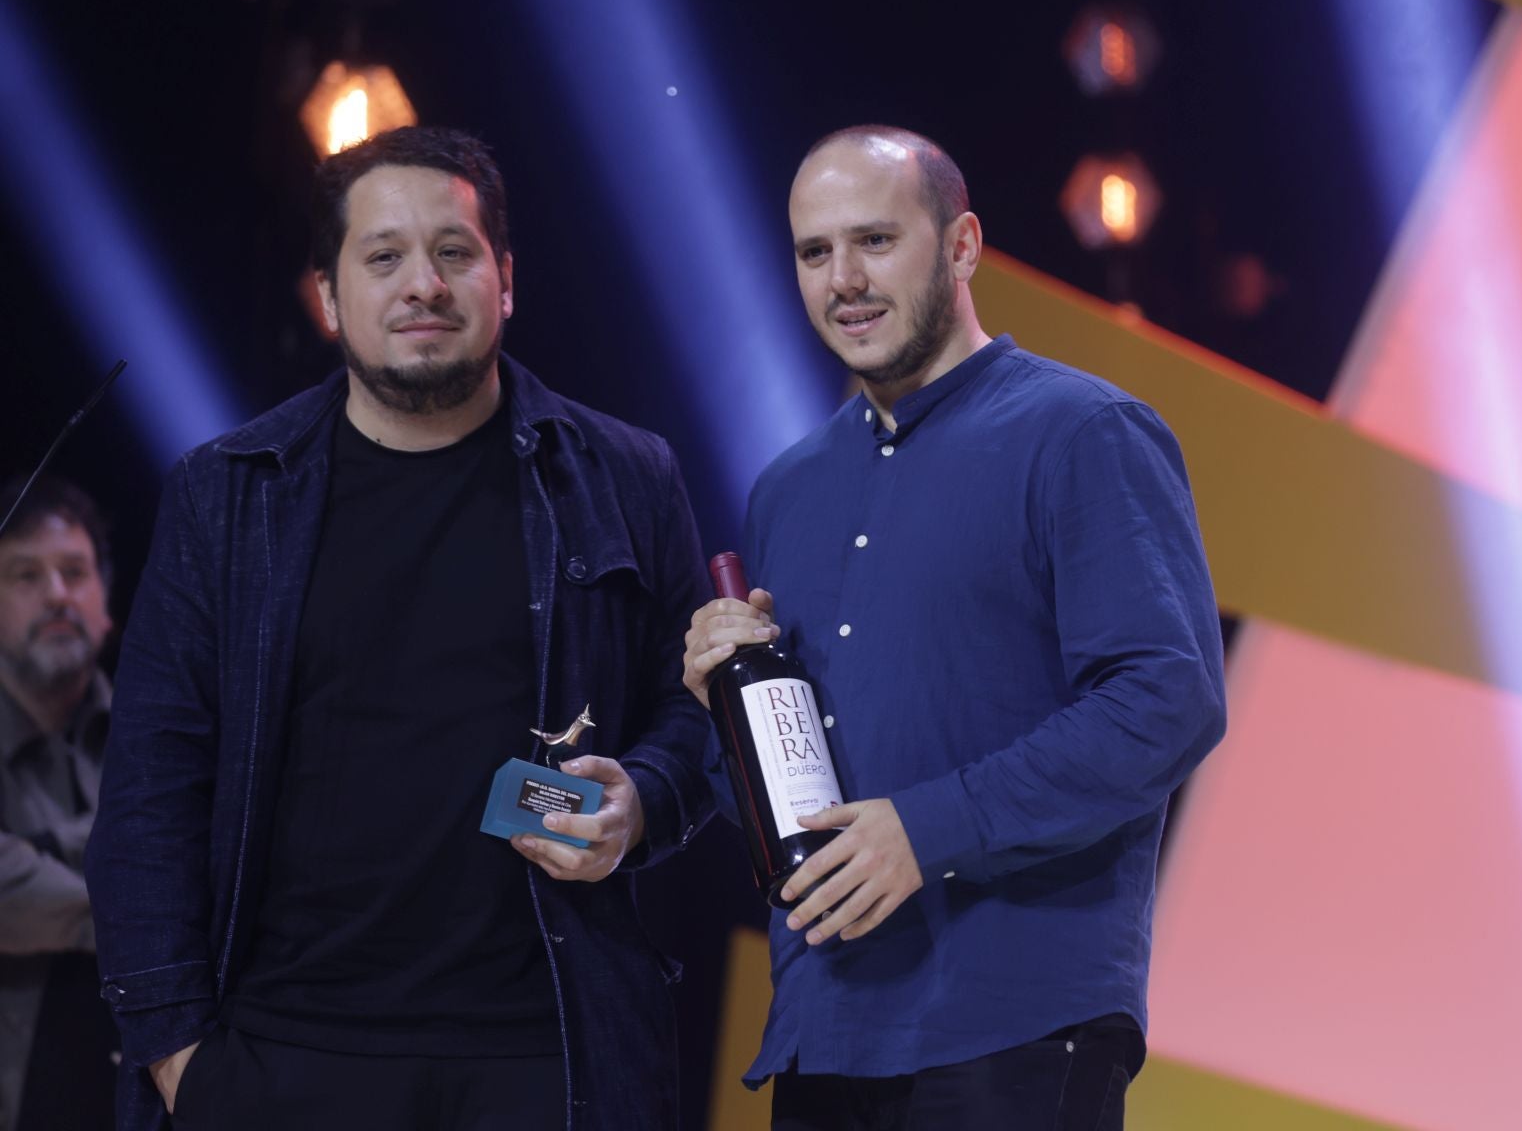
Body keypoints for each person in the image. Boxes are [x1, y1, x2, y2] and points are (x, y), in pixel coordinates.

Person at [86, 127, 714, 1131]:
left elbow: (698, 710)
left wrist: (642, 800)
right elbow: (150, 797)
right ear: (329, 297)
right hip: (284, 1056)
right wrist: (182, 1065)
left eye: (453, 252)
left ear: (504, 279)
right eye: (383, 257)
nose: (423, 282)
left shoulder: (626, 474)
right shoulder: (228, 495)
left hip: (546, 1057)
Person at [682, 126, 1227, 1129]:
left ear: (963, 244)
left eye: (876, 240)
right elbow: (777, 805)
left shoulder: (1081, 432)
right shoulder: (787, 491)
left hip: (1009, 1024)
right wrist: (726, 707)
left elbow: (1167, 698)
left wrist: (927, 828)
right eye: (814, 252)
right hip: (824, 1030)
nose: (843, 278)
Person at [0, 475, 119, 1131]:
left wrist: (39, 853)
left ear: (107, 603)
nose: (56, 595)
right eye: (25, 576)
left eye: (74, 572)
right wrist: (142, 916)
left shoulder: (169, 732)